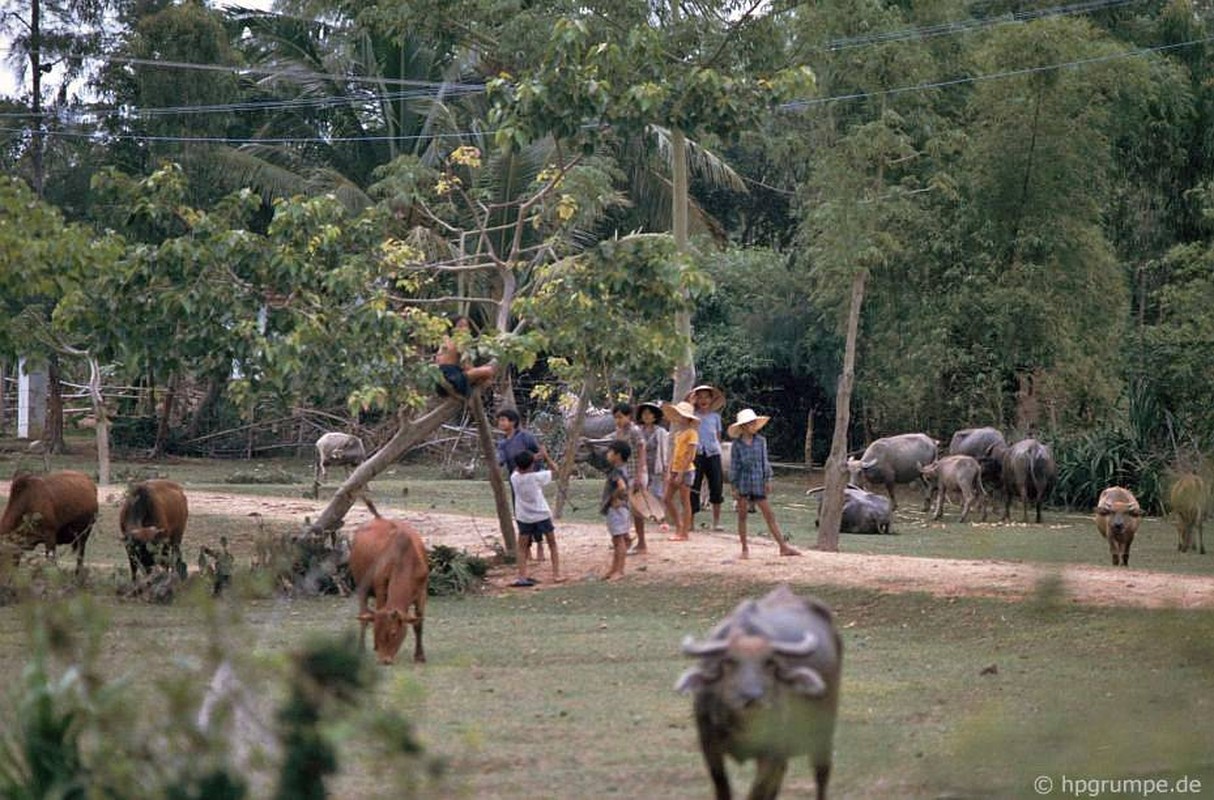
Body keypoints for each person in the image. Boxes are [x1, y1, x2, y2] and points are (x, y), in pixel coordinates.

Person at [728, 408, 801, 559]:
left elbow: (764, 462)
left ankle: (783, 546)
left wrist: (767, 479)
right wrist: (734, 486)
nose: (753, 426)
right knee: (742, 516)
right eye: (750, 424)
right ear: (743, 427)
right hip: (743, 482)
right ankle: (744, 549)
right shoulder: (737, 445)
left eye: (754, 423)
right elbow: (734, 466)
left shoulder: (761, 441)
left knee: (769, 515)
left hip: (758, 482)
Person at [496, 408, 550, 560]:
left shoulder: (525, 437)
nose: (500, 423)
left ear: (512, 422)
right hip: (516, 483)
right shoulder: (502, 443)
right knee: (520, 513)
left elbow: (538, 453)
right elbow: (499, 460)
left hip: (531, 480)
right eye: (499, 420)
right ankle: (527, 548)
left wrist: (533, 462)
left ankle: (540, 543)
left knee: (536, 511)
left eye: (503, 420)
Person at [509, 450, 564, 586]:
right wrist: (546, 456)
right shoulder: (537, 477)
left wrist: (531, 458)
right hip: (542, 514)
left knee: (522, 548)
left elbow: (519, 467)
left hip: (524, 517)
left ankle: (522, 576)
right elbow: (556, 471)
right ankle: (556, 574)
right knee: (552, 544)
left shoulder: (514, 478)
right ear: (532, 465)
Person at [686, 384, 726, 531]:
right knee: (694, 487)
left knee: (716, 485)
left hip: (713, 453)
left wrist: (717, 450)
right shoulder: (692, 416)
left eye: (706, 397)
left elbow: (718, 436)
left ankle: (716, 522)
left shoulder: (715, 417)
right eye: (700, 397)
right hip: (696, 454)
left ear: (711, 399)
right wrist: (690, 404)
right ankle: (690, 522)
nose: (703, 400)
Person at [611, 403, 649, 555]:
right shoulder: (619, 432)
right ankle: (626, 538)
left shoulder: (634, 431)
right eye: (616, 418)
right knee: (621, 508)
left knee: (637, 511)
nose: (618, 420)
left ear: (629, 416)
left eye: (620, 417)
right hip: (624, 475)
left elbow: (642, 452)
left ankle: (642, 543)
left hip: (636, 474)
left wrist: (640, 475)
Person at [662, 400, 700, 541]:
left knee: (685, 501)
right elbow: (674, 454)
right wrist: (669, 471)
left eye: (681, 415)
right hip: (675, 469)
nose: (679, 418)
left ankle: (684, 532)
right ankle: (679, 525)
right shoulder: (678, 434)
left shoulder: (692, 433)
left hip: (686, 470)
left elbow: (690, 455)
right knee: (666, 498)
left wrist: (681, 473)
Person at [435, 316, 496, 398]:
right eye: (460, 326)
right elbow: (467, 367)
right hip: (453, 379)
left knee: (484, 377)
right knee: (489, 370)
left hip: (440, 380)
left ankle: (478, 397)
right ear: (453, 329)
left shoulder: (445, 340)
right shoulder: (460, 342)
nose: (464, 329)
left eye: (466, 326)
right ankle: (480, 397)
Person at [601, 441, 632, 581]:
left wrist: (613, 498)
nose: (607, 455)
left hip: (616, 509)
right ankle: (614, 568)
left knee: (618, 540)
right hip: (623, 508)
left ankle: (619, 570)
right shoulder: (624, 469)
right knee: (617, 539)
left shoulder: (616, 471)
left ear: (617, 455)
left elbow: (622, 487)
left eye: (610, 452)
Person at [636, 401, 670, 532]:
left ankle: (662, 519)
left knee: (658, 493)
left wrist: (665, 468)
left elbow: (664, 451)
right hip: (642, 466)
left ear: (655, 416)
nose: (646, 416)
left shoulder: (661, 432)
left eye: (649, 414)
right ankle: (645, 517)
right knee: (642, 492)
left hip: (656, 465)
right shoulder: (638, 431)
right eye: (644, 414)